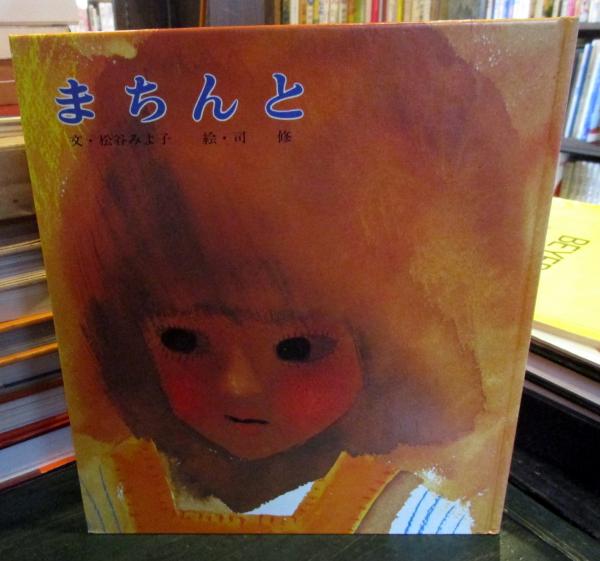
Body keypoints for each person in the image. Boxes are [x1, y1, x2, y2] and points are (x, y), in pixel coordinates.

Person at [54, 24, 534, 533]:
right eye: (182, 340)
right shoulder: (114, 488)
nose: (237, 385)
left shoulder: (407, 515)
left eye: (298, 349)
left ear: (385, 350)